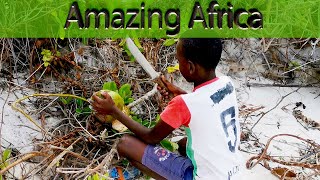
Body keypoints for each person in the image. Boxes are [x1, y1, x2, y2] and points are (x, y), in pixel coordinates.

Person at [91, 38, 243, 180]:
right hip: (232, 173)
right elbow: (205, 103)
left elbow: (151, 137)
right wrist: (180, 93)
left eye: (179, 61)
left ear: (190, 67)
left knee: (125, 144)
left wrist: (114, 111)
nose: (178, 64)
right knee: (184, 144)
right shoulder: (226, 83)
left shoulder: (184, 104)